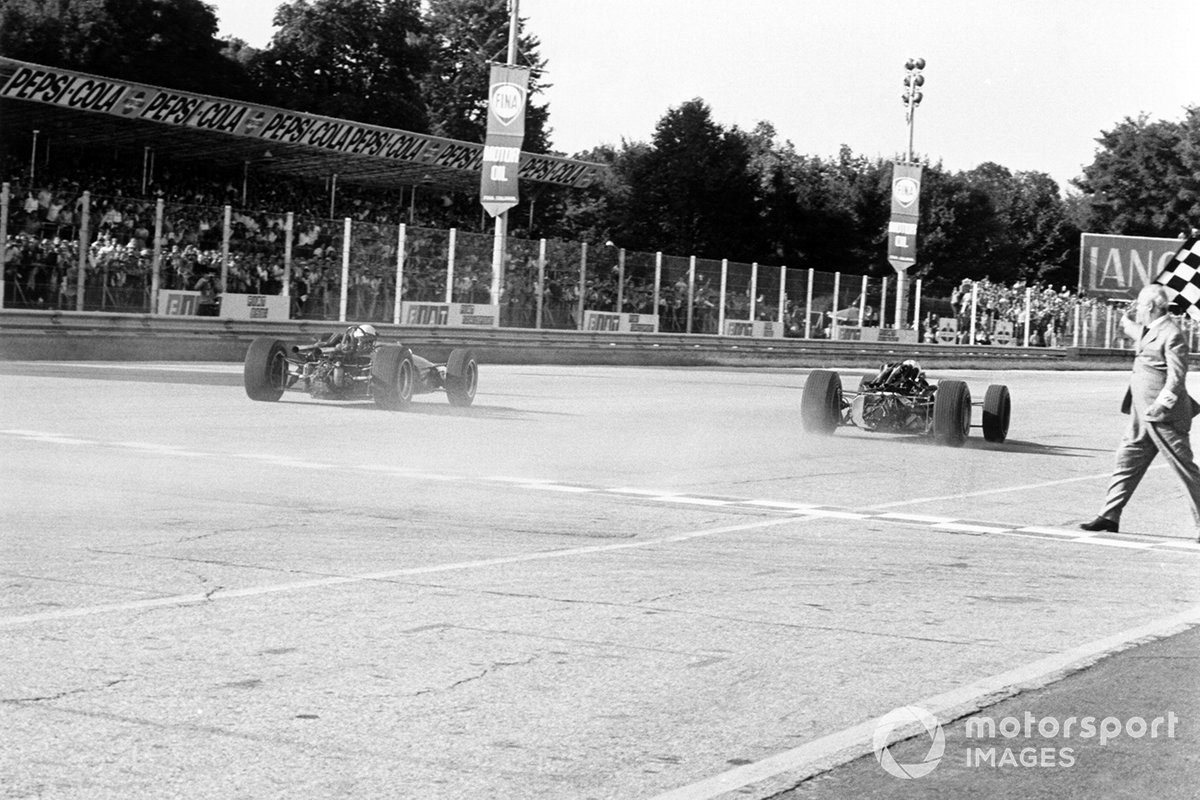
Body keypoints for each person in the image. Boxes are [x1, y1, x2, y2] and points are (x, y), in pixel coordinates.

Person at [1081, 285, 1200, 538]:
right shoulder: (1152, 331)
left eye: (1140, 305)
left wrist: (1162, 404)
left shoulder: (1172, 334)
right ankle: (1109, 515)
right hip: (1140, 413)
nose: (1137, 308)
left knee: (1184, 469)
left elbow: (1177, 377)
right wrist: (1124, 319)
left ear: (1151, 307)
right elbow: (1136, 332)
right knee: (1127, 460)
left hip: (1163, 416)